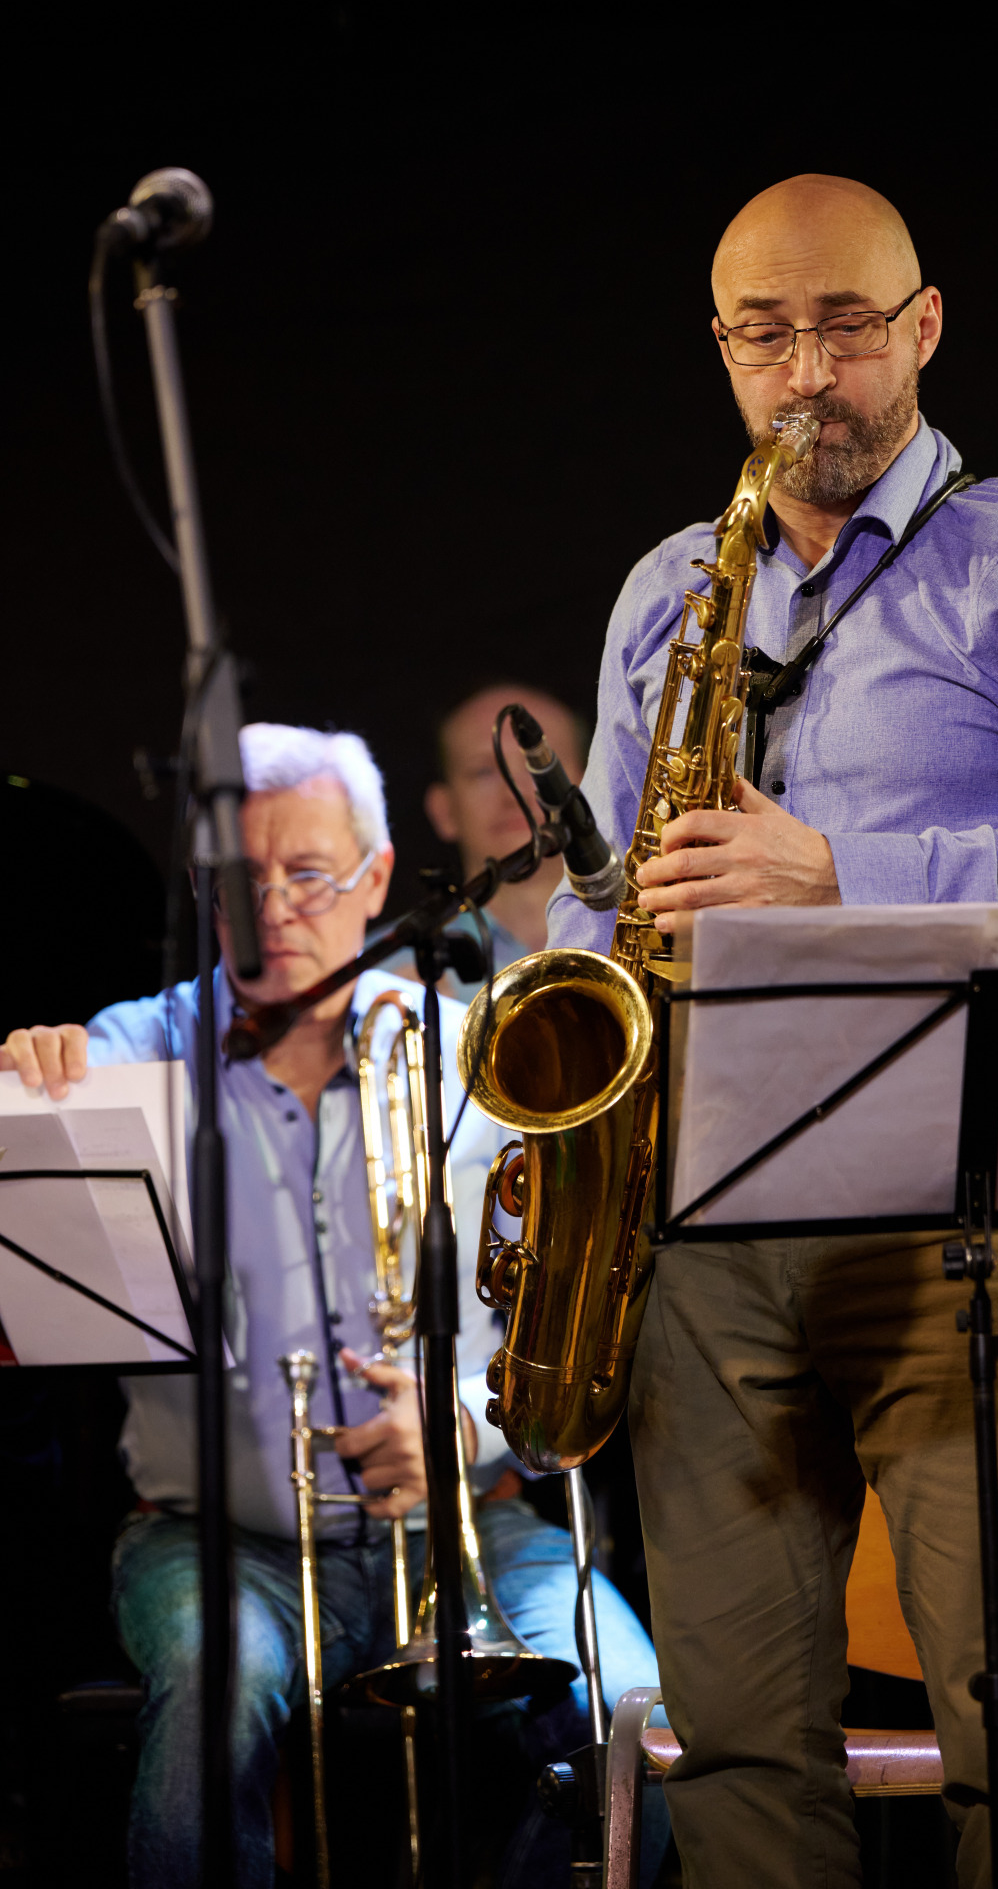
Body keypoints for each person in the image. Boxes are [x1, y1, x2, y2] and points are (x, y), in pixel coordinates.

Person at [547, 176, 998, 1888]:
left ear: (921, 328)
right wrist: (572, 985)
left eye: (843, 327)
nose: (805, 375)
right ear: (719, 348)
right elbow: (600, 883)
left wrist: (833, 873)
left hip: (968, 1217)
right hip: (706, 1228)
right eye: (763, 336)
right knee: (737, 1750)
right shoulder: (668, 591)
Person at [0, 722, 662, 1889]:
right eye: (236, 880)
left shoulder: (474, 1054)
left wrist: (462, 1426)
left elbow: (562, 1326)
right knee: (213, 1703)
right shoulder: (124, 1056)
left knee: (639, 1722)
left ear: (376, 876)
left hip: (470, 1527)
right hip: (217, 1539)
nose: (270, 911)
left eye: (306, 874)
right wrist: (25, 1091)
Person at [388, 683, 588, 1000]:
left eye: (539, 764)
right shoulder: (387, 972)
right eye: (483, 772)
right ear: (443, 810)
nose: (514, 795)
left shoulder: (657, 937)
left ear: (589, 787)